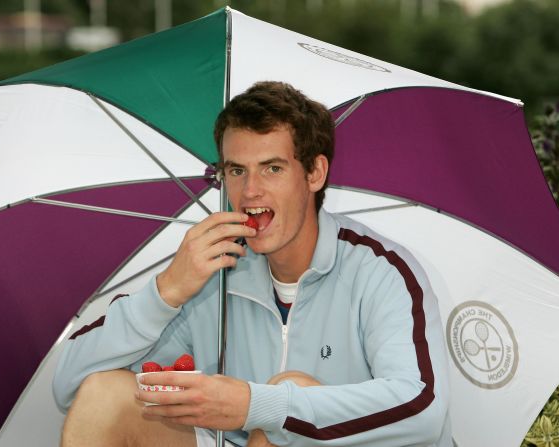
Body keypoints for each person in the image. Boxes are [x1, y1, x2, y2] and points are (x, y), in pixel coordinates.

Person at [52, 81, 451, 447]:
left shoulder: (381, 271)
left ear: (315, 173)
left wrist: (255, 404)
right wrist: (168, 291)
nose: (250, 191)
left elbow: (423, 409)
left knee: (288, 403)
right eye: (236, 170)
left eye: (272, 168)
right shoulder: (211, 273)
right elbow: (69, 384)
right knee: (108, 396)